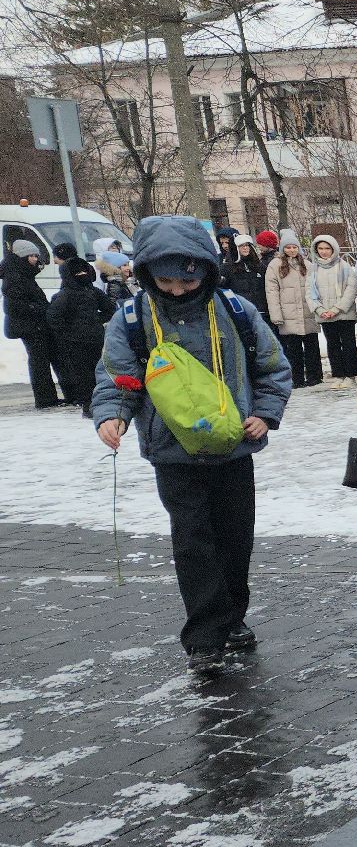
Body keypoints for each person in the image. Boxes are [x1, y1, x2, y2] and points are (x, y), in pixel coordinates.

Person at [90, 215, 292, 669]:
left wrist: (264, 414)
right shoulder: (132, 317)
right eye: (165, 280)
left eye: (188, 277)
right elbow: (117, 376)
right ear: (145, 273)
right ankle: (204, 634)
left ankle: (233, 617)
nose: (178, 290)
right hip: (173, 453)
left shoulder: (235, 310)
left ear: (204, 268)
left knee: (235, 538)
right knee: (193, 541)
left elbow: (273, 368)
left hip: (234, 447)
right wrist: (112, 416)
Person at [46, 257, 115, 418]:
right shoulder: (65, 295)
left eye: (85, 271)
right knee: (82, 375)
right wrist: (67, 332)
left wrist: (96, 320)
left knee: (99, 372)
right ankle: (88, 404)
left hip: (95, 339)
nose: (83, 275)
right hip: (76, 343)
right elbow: (53, 317)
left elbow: (109, 308)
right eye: (79, 272)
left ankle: (101, 402)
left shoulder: (92, 291)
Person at [4, 240, 61, 408]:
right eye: (32, 256)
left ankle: (47, 398)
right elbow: (14, 305)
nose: (36, 259)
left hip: (31, 324)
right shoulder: (16, 277)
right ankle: (45, 399)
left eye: (36, 255)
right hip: (29, 326)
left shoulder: (21, 274)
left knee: (40, 360)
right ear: (22, 256)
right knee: (39, 361)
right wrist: (40, 308)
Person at [266, 232, 323, 388]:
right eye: (288, 247)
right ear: (283, 249)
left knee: (312, 346)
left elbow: (316, 288)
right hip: (288, 313)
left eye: (294, 247)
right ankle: (296, 378)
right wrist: (276, 314)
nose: (291, 250)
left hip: (307, 312)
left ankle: (315, 376)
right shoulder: (275, 266)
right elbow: (272, 292)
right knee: (293, 349)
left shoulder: (307, 265)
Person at [307, 234, 357, 385]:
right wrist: (319, 310)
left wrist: (337, 309)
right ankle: (338, 374)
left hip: (344, 314)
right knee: (333, 345)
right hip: (325, 315)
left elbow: (351, 289)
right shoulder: (313, 270)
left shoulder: (344, 267)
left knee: (348, 344)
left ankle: (352, 374)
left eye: (327, 248)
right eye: (320, 248)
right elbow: (309, 292)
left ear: (333, 249)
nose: (324, 252)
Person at [224, 233, 269, 311]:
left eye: (247, 245)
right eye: (242, 246)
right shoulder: (227, 268)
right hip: (240, 311)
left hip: (261, 310)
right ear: (235, 248)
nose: (245, 248)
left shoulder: (259, 266)